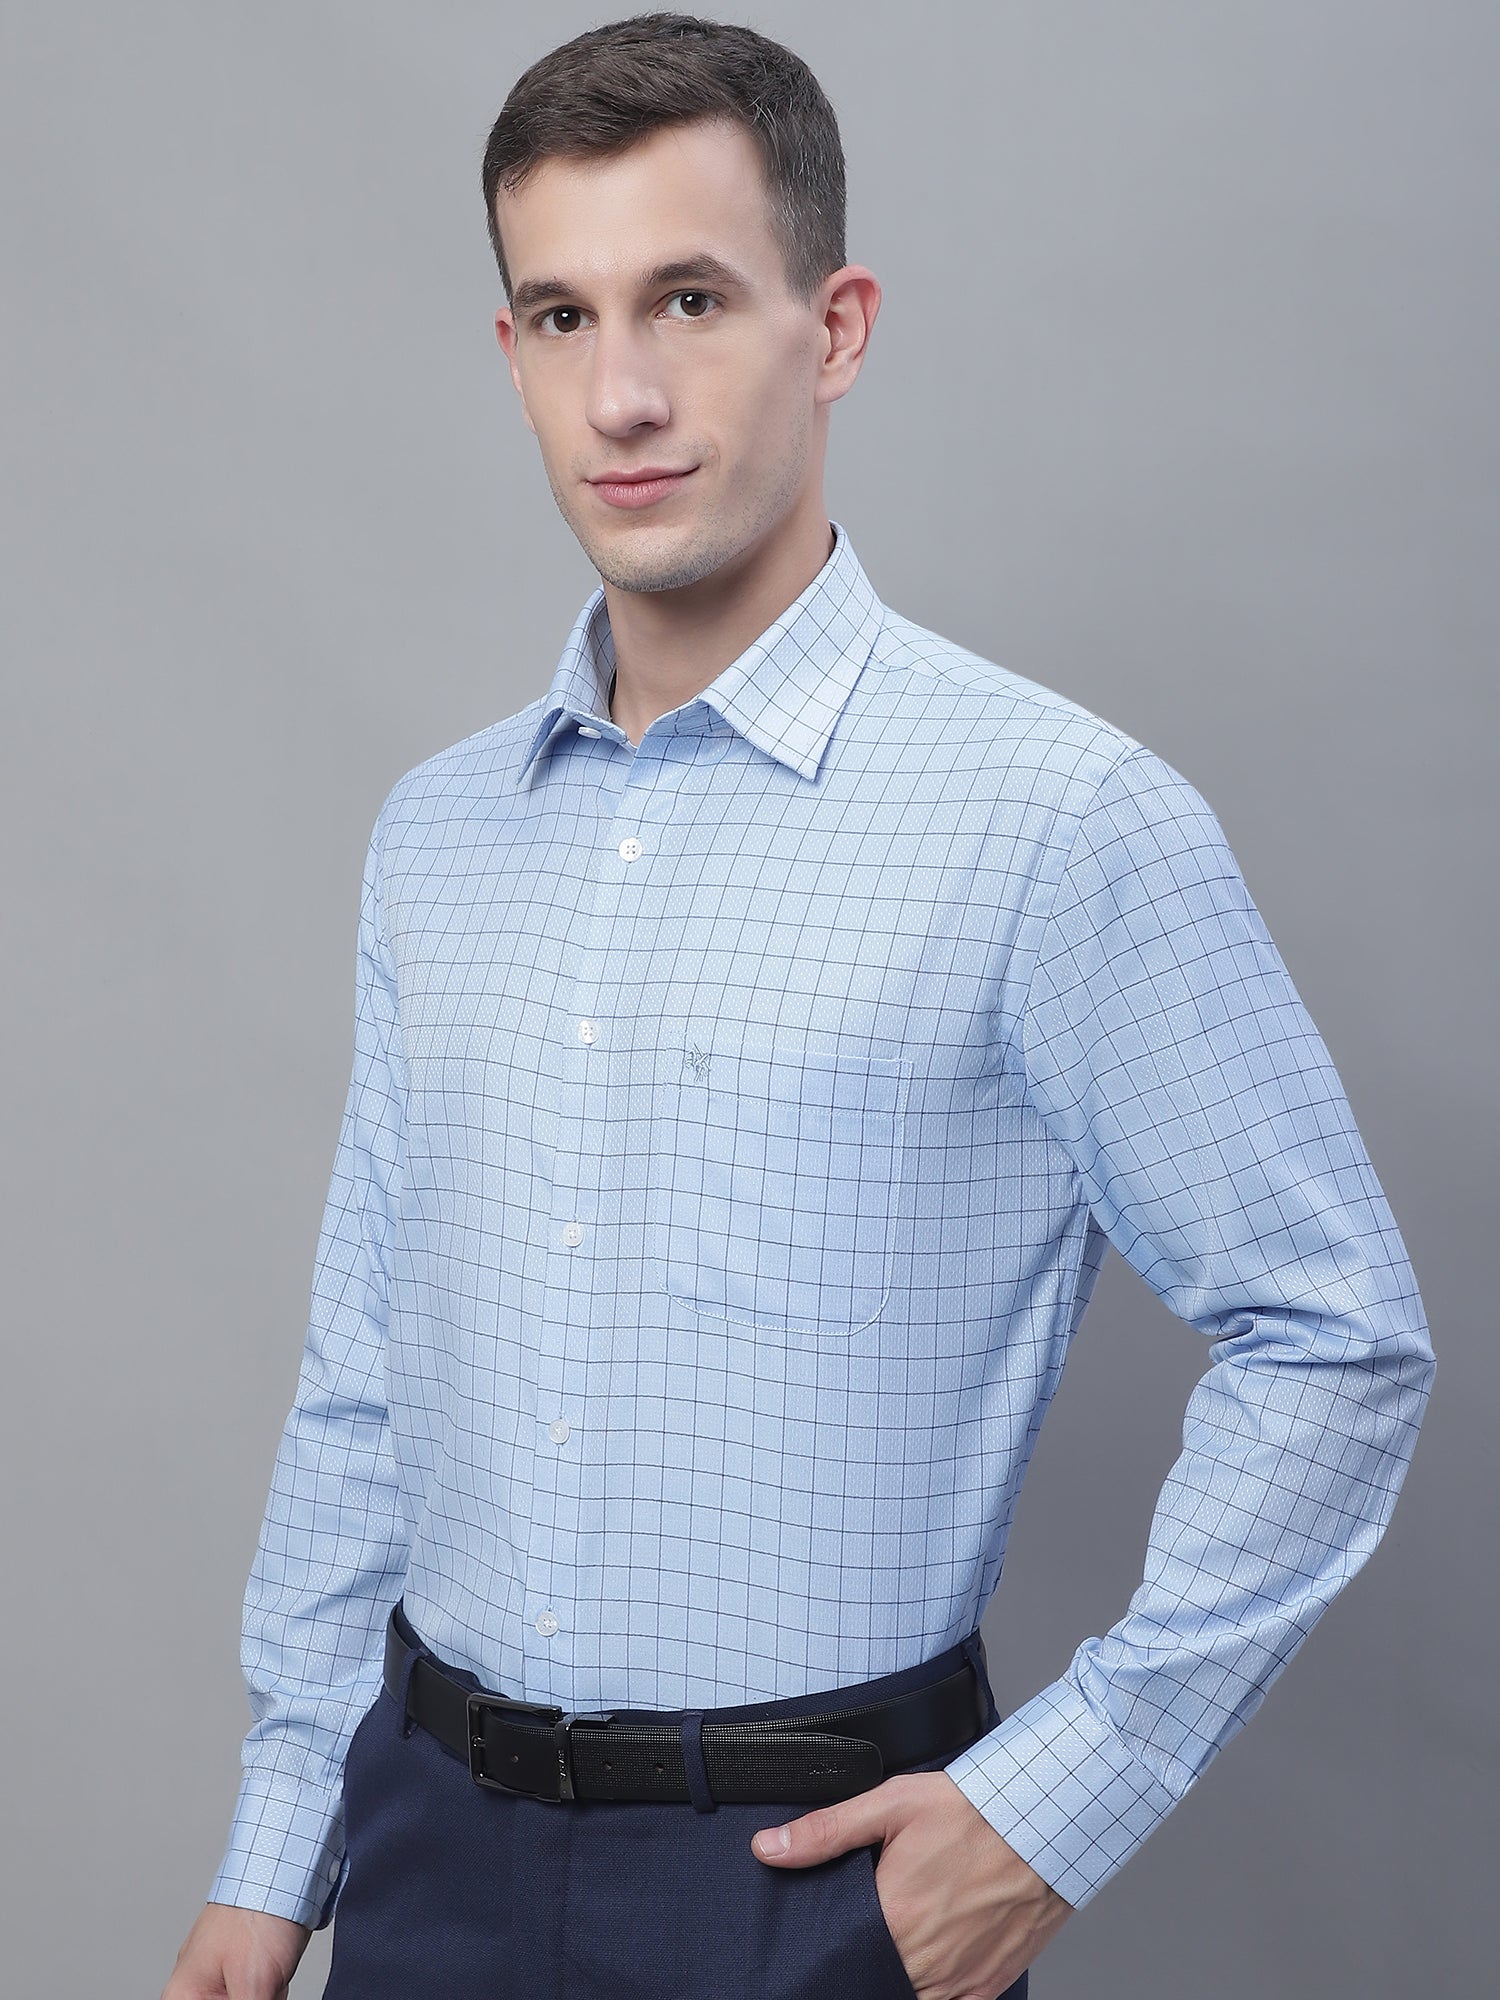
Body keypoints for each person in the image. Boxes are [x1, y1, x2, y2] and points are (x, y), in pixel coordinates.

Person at [162, 13, 1435, 1999]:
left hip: (809, 1883)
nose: (625, 392)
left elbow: (1334, 1335)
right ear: (513, 354)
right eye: (564, 317)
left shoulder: (1056, 820)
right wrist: (276, 1848)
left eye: (689, 300)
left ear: (833, 330)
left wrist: (1058, 1807)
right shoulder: (438, 835)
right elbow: (366, 1376)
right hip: (423, 1856)